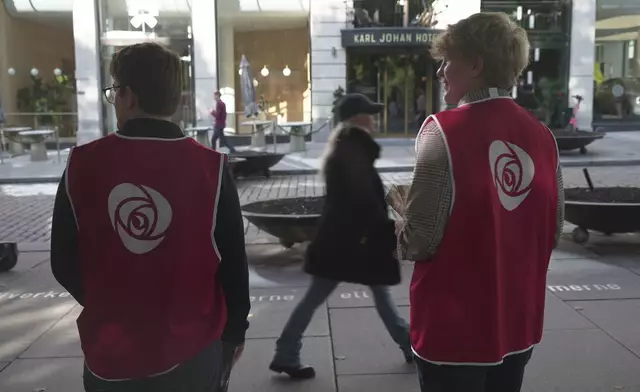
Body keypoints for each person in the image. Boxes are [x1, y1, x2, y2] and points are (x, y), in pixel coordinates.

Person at [50, 42, 250, 392]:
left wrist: (108, 302)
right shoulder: (211, 169)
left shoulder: (81, 165)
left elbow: (62, 261)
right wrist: (235, 332)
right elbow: (233, 264)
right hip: (192, 347)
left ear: (128, 95)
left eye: (114, 90)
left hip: (110, 350)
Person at [387, 12, 564, 392]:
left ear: (475, 64)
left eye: (447, 61)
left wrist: (402, 210)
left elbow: (419, 240)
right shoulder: (543, 136)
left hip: (454, 330)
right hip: (518, 321)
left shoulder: (443, 131)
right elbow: (552, 229)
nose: (441, 73)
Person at [269, 93, 412, 379]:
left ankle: (408, 343)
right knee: (330, 296)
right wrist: (384, 232)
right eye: (369, 113)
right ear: (357, 118)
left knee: (372, 294)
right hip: (351, 243)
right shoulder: (353, 151)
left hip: (344, 242)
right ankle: (286, 352)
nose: (373, 119)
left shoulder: (348, 148)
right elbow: (363, 202)